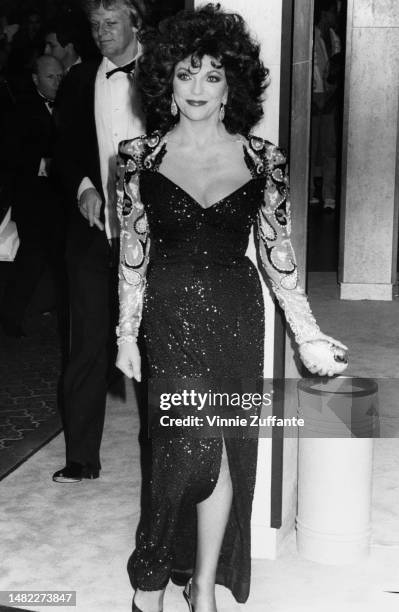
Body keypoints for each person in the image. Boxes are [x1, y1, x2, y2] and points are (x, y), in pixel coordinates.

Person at [115, 5, 349, 612]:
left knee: (223, 448)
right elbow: (133, 259)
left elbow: (279, 257)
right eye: (186, 74)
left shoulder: (263, 159)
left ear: (231, 86)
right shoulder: (137, 158)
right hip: (169, 313)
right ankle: (148, 582)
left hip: (236, 311)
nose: (196, 88)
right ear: (166, 80)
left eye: (212, 76)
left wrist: (309, 336)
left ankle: (203, 585)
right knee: (182, 448)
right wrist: (124, 334)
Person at [51, 0, 146, 484]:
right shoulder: (77, 79)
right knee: (86, 345)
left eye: (111, 23)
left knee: (155, 344)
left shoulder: (170, 73)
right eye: (95, 25)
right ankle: (82, 458)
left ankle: (161, 454)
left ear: (135, 22)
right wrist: (84, 187)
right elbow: (63, 147)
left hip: (154, 238)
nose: (101, 33)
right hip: (93, 233)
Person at [0, 55, 64, 338]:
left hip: (60, 198)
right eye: (51, 77)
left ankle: (58, 311)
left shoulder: (69, 104)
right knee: (32, 256)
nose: (57, 82)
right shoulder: (21, 110)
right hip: (32, 198)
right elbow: (12, 155)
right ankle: (10, 316)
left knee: (58, 256)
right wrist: (45, 164)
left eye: (60, 76)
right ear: (36, 80)